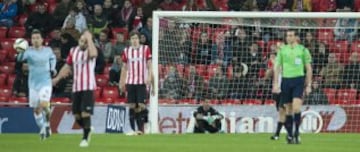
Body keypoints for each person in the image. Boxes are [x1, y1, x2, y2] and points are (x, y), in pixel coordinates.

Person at [52, 31, 97, 147]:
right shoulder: (73, 51)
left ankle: (85, 138)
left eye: (85, 41)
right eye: (82, 40)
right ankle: (88, 128)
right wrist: (56, 79)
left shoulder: (90, 49)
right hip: (76, 87)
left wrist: (89, 38)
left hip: (88, 86)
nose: (83, 43)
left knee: (85, 113)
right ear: (78, 41)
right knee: (77, 115)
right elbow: (67, 66)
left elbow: (93, 54)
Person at [273, 30, 312, 144]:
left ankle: (297, 133)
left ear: (295, 37)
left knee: (296, 107)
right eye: (287, 36)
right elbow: (277, 67)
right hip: (286, 81)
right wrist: (275, 83)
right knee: (288, 109)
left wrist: (308, 84)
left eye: (291, 35)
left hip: (298, 80)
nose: (288, 38)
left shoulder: (303, 50)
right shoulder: (282, 50)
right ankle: (290, 135)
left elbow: (309, 68)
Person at [16, 29, 57, 140]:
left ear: (42, 40)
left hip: (46, 82)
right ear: (31, 40)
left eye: (38, 38)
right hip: (33, 84)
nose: (36, 40)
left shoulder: (48, 50)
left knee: (44, 104)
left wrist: (53, 69)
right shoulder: (28, 51)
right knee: (36, 110)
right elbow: (19, 59)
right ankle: (43, 128)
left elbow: (53, 58)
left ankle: (48, 123)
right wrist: (19, 51)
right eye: (33, 38)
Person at [119, 32, 154, 134]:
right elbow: (124, 68)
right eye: (132, 38)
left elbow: (149, 65)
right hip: (130, 81)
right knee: (132, 106)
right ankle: (134, 129)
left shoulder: (145, 49)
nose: (134, 40)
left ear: (139, 40)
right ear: (130, 40)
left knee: (141, 105)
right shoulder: (126, 51)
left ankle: (142, 126)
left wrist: (149, 76)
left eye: (136, 38)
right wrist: (121, 82)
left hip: (141, 82)